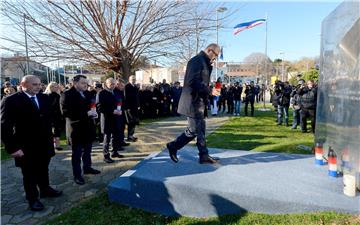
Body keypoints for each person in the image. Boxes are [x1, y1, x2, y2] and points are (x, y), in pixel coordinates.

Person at [1, 75, 62, 211]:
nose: (39, 87)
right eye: (35, 84)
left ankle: (45, 189)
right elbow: (4, 127)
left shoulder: (44, 98)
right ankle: (32, 198)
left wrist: (52, 136)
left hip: (44, 143)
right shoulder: (11, 100)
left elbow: (47, 119)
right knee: (29, 174)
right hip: (25, 146)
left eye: (40, 84)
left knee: (43, 168)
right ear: (24, 84)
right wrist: (13, 148)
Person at [166, 43, 220, 164]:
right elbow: (192, 81)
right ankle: (173, 146)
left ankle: (203, 155)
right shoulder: (196, 61)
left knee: (200, 129)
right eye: (215, 55)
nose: (215, 58)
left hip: (199, 102)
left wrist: (209, 68)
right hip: (192, 102)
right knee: (194, 130)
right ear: (209, 50)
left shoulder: (205, 63)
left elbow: (202, 82)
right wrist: (210, 90)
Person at [61, 75, 100, 185]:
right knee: (77, 154)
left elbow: (92, 107)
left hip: (88, 129)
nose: (86, 85)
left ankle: (87, 168)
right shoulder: (66, 95)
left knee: (87, 151)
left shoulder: (88, 93)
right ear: (75, 83)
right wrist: (86, 114)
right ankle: (77, 175)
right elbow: (65, 113)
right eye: (83, 83)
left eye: (86, 83)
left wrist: (94, 113)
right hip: (76, 130)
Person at [97, 78, 126, 163]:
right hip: (107, 119)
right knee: (107, 138)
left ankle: (115, 152)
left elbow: (121, 102)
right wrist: (112, 111)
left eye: (114, 83)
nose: (113, 85)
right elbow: (100, 107)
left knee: (116, 136)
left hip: (116, 118)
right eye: (111, 84)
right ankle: (106, 156)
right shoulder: (101, 93)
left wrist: (121, 110)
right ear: (106, 84)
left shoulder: (116, 92)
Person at [44, 82, 64, 150]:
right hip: (49, 116)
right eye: (54, 87)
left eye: (56, 87)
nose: (56, 88)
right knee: (50, 131)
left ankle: (57, 145)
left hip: (57, 116)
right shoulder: (46, 96)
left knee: (57, 130)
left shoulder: (58, 95)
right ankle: (52, 145)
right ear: (50, 87)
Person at [124, 75, 140, 142]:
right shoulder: (127, 86)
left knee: (134, 122)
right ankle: (129, 136)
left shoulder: (135, 86)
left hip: (135, 107)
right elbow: (125, 98)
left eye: (134, 79)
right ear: (129, 79)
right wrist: (127, 107)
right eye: (132, 79)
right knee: (130, 122)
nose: (133, 80)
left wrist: (138, 105)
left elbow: (137, 97)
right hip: (129, 107)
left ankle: (131, 135)